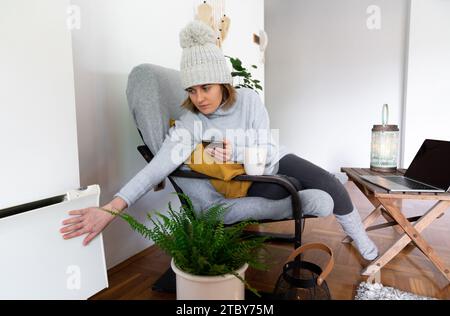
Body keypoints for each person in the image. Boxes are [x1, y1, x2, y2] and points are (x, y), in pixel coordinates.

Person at [60, 20, 378, 261]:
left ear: (223, 82)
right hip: (246, 179)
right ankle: (303, 190)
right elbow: (155, 170)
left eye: (206, 88)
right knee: (290, 187)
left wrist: (234, 149)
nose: (199, 98)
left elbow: (267, 148)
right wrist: (112, 209)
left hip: (273, 157)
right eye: (191, 90)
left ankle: (362, 242)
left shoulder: (250, 100)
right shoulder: (189, 124)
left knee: (329, 184)